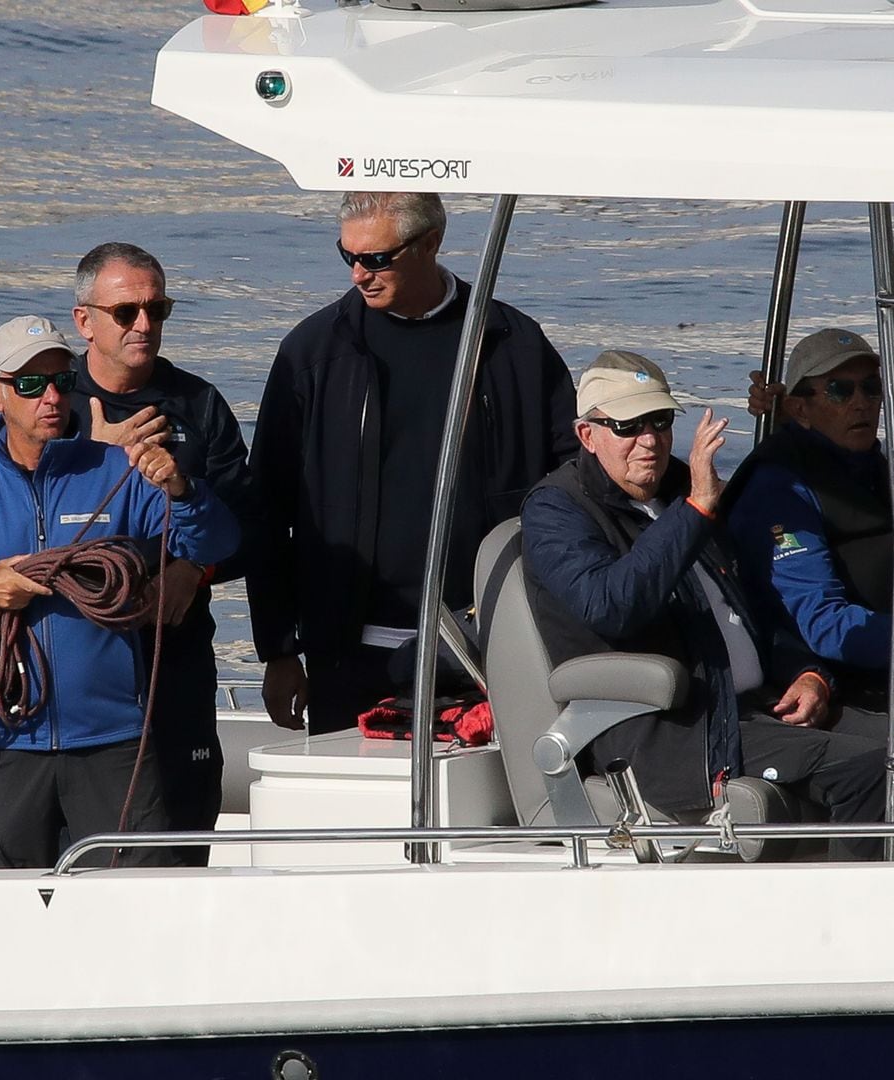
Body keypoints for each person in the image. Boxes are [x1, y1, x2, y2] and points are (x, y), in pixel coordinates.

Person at [0, 316, 239, 868]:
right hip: (9, 744)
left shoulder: (118, 470)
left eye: (62, 380)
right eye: (30, 384)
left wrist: (181, 488)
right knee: (11, 915)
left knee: (132, 912)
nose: (50, 396)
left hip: (114, 744)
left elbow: (215, 539)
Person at [522, 349, 885, 860]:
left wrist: (808, 672)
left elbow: (755, 606)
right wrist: (694, 510)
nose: (649, 440)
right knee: (871, 768)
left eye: (660, 420)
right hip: (669, 730)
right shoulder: (557, 509)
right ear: (588, 434)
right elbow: (613, 606)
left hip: (757, 705)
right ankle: (856, 929)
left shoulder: (680, 487)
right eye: (628, 427)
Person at [248, 191, 578, 734]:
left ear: (431, 243)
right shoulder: (311, 353)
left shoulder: (510, 342)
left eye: (376, 259)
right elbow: (266, 508)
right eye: (347, 256)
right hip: (348, 652)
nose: (358, 274)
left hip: (486, 643)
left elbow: (569, 484)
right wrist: (279, 652)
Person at [70, 242, 257, 862]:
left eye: (158, 309)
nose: (144, 325)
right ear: (85, 320)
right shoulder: (49, 401)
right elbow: (4, 519)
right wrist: (88, 458)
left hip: (173, 654)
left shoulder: (199, 404)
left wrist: (192, 570)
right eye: (126, 312)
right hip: (74, 661)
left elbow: (248, 524)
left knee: (180, 829)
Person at [730, 329, 890, 708]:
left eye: (871, 388)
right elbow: (822, 621)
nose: (861, 403)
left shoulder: (872, 467)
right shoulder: (779, 490)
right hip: (841, 679)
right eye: (840, 390)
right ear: (800, 408)